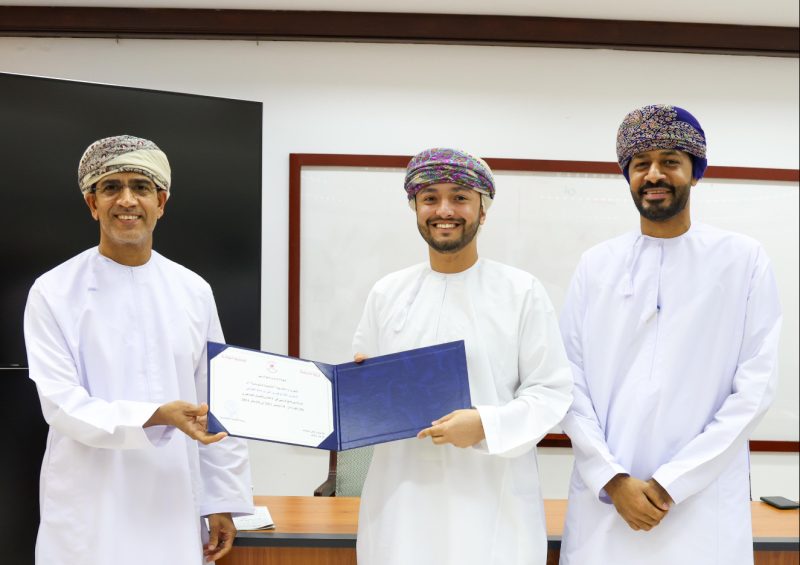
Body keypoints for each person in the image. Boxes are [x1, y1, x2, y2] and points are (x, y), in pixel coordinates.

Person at [558, 105, 782, 564]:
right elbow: (568, 380)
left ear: (695, 173)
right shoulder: (596, 265)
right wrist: (613, 479)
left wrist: (671, 483)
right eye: (641, 164)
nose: (654, 174)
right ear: (628, 176)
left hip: (700, 508)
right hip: (608, 505)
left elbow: (755, 389)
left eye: (670, 162)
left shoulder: (742, 260)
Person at [23, 135, 253, 565]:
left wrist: (222, 500)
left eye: (141, 187)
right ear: (92, 204)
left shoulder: (193, 290)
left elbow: (219, 400)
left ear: (160, 202)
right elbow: (61, 404)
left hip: (173, 496)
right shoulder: (53, 292)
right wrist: (154, 416)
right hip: (91, 500)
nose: (126, 200)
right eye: (111, 187)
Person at [351, 147, 573, 565]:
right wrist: (360, 391)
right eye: (430, 198)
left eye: (460, 198)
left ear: (482, 211)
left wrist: (486, 425)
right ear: (415, 208)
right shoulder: (387, 294)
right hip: (402, 502)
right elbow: (367, 400)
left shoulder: (521, 292)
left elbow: (551, 392)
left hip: (492, 501)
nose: (444, 210)